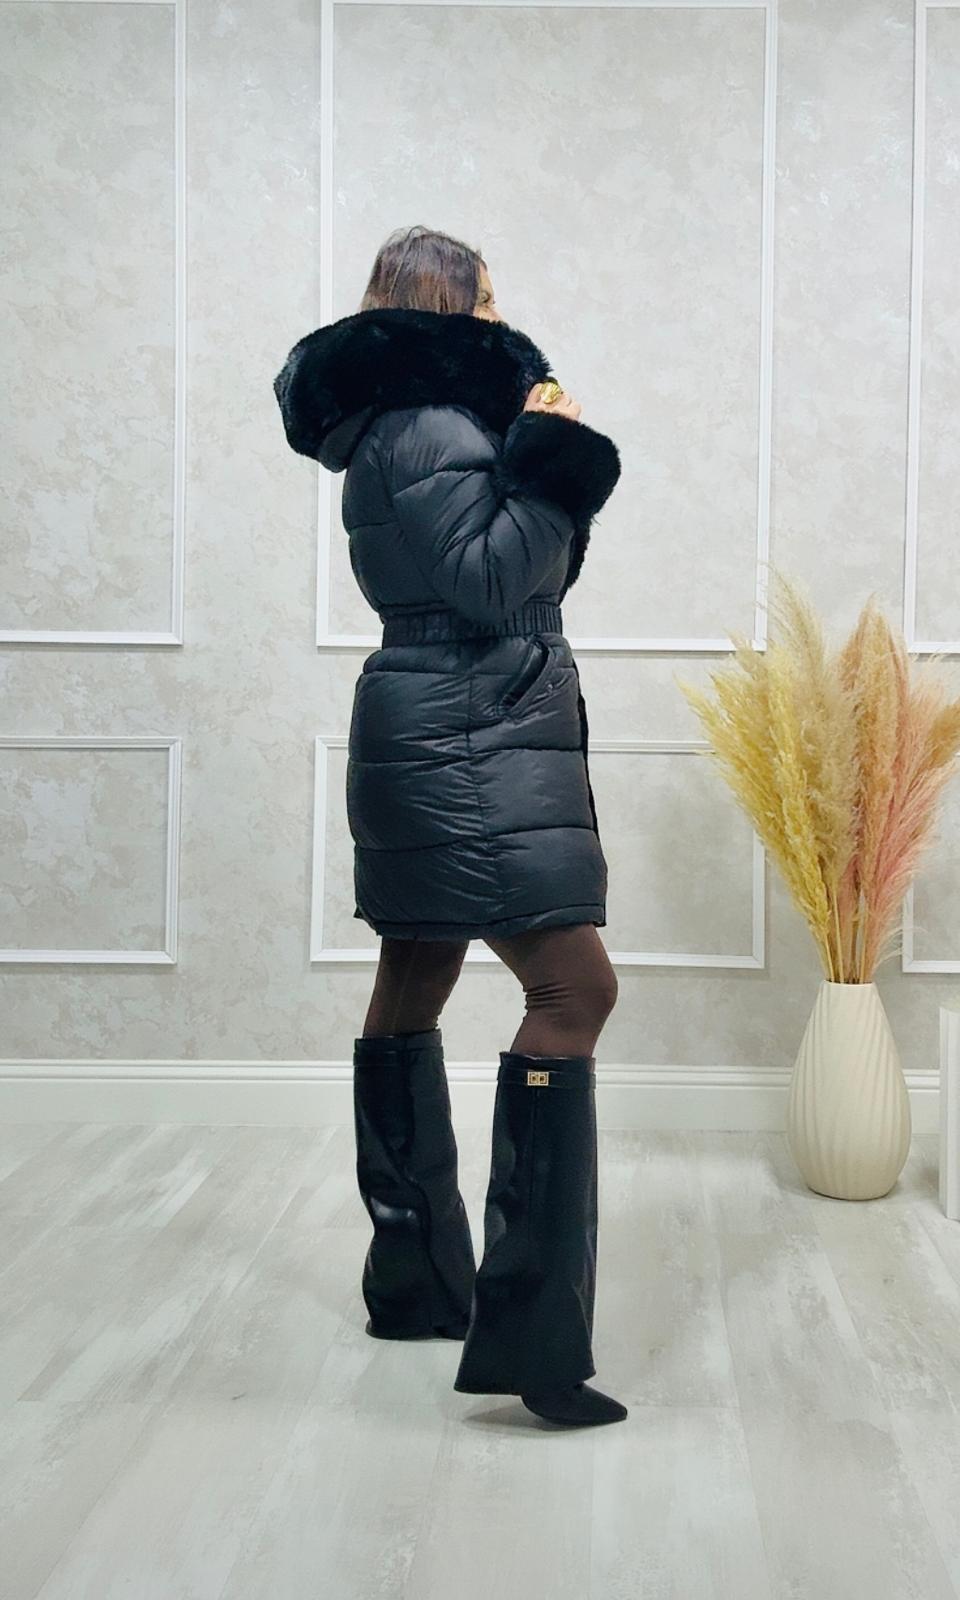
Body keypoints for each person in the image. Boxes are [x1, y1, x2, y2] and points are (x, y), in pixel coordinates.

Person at [273, 224, 627, 1428]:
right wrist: (558, 458)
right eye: (486, 297)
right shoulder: (430, 422)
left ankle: (418, 1280)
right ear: (446, 303)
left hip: (443, 725)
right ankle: (532, 1340)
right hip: (471, 731)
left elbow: (511, 575)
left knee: (414, 978)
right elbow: (491, 585)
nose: (499, 313)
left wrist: (531, 457)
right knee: (575, 990)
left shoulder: (404, 421)